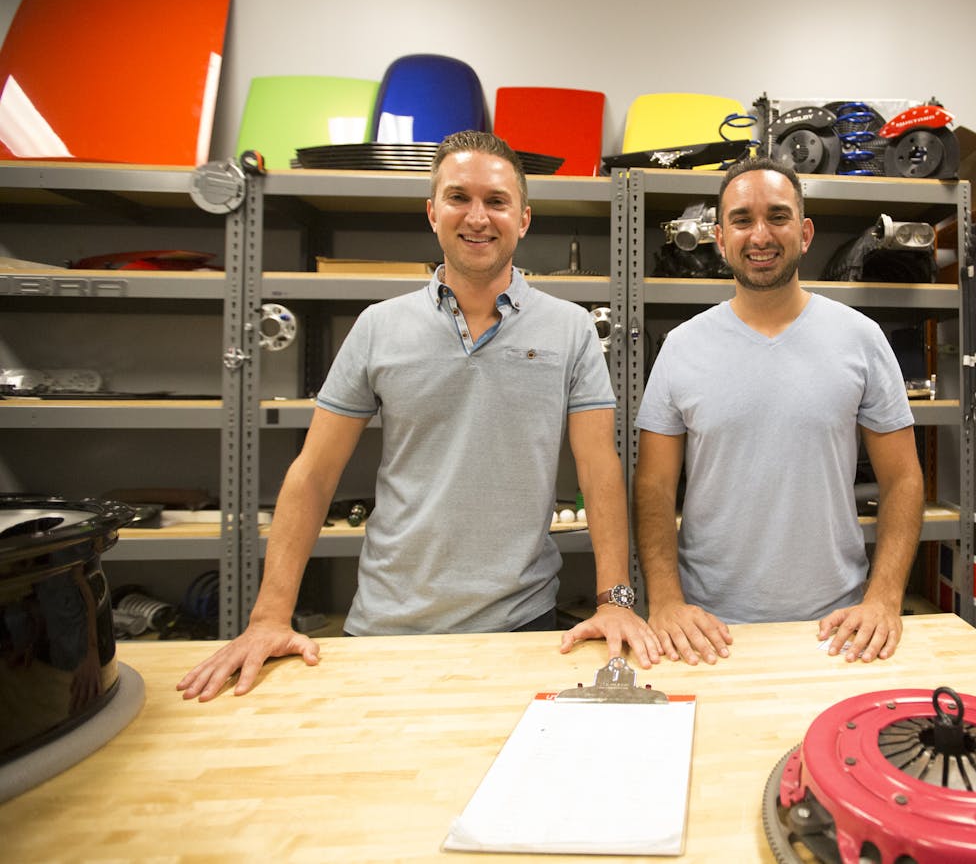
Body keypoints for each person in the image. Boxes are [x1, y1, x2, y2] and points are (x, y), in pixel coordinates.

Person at [178, 131, 657, 701]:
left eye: (497, 201)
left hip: (521, 625)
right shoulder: (379, 326)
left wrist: (615, 601)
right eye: (459, 198)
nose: (477, 217)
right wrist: (268, 616)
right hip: (387, 625)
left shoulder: (571, 328)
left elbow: (600, 468)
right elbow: (314, 473)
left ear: (523, 219)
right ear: (433, 212)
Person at [633, 155, 924, 666]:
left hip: (837, 627)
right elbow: (653, 487)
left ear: (805, 232)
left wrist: (883, 599)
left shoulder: (860, 339)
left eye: (778, 216)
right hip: (708, 631)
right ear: (719, 238)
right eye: (742, 220)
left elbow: (903, 481)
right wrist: (666, 602)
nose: (760, 234)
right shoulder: (681, 347)